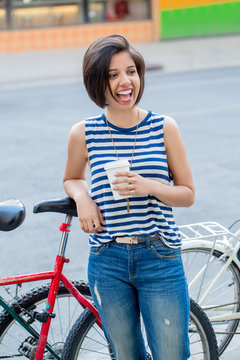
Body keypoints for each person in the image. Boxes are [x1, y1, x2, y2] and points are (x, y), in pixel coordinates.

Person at [63, 34, 195, 360]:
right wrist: (83, 198)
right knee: (125, 355)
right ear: (97, 82)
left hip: (159, 255)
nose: (126, 81)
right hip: (107, 259)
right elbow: (72, 177)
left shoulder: (165, 127)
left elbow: (187, 194)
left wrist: (149, 186)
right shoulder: (83, 133)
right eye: (113, 74)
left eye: (131, 71)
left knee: (171, 354)